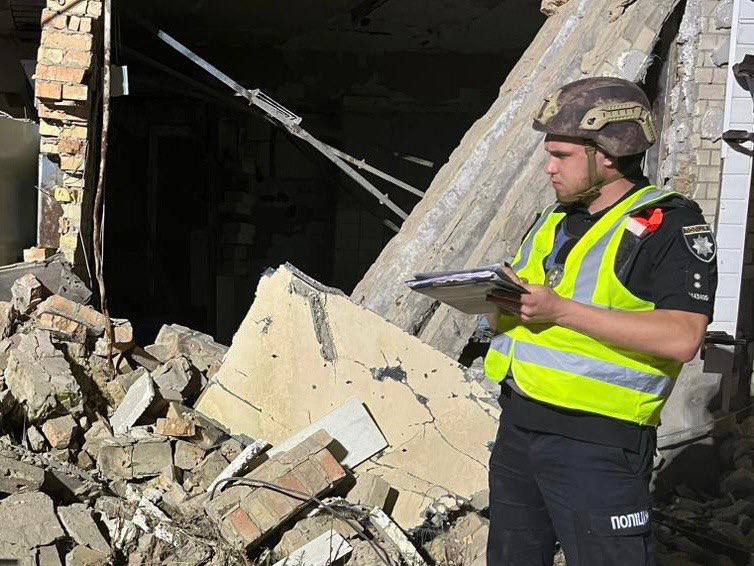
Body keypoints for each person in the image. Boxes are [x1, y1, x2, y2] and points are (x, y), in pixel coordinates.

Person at [484, 77, 718, 565]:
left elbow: (684, 337)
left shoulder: (669, 224)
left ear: (608, 155)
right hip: (519, 430)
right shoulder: (556, 220)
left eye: (562, 155)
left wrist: (561, 310)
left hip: (598, 445)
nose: (549, 167)